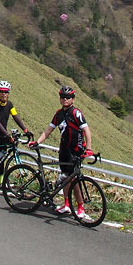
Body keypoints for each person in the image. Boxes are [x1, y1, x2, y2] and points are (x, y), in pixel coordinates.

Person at [32, 85, 93, 219]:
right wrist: (38, 142)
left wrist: (88, 149)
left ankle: (80, 207)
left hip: (76, 151)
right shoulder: (58, 114)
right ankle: (66, 204)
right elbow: (48, 131)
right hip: (64, 150)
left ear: (73, 99)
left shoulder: (76, 113)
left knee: (74, 179)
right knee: (65, 176)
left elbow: (87, 131)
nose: (65, 99)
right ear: (60, 99)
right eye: (63, 97)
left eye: (68, 97)